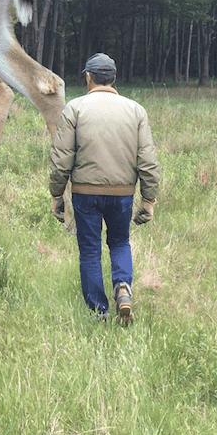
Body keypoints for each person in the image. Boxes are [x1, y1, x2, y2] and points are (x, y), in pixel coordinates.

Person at [49, 53, 160, 325]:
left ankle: (99, 313)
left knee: (89, 250)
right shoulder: (136, 110)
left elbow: (62, 158)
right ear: (114, 78)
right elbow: (147, 159)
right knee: (120, 242)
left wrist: (56, 194)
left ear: (88, 77)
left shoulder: (74, 109)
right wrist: (148, 199)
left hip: (85, 193)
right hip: (123, 193)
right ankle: (123, 288)